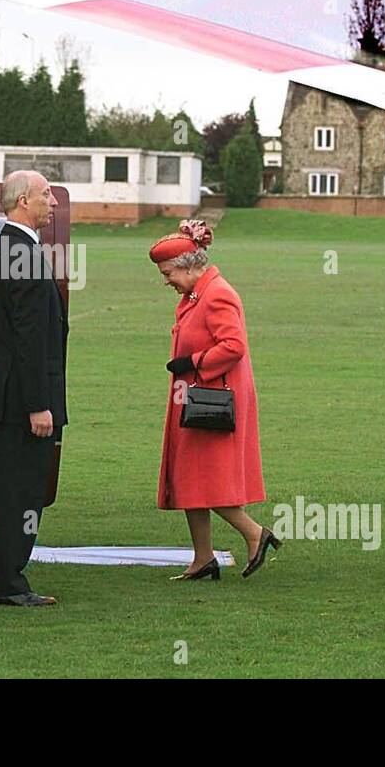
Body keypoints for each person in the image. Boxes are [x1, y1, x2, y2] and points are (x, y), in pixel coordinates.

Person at [149, 219, 273, 581]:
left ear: (189, 265)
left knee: (206, 479)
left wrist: (194, 363)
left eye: (169, 272)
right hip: (195, 397)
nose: (166, 280)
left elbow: (234, 346)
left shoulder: (217, 293)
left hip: (212, 400)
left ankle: (255, 534)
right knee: (189, 477)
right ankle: (203, 559)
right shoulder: (196, 293)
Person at [0, 170, 68, 606]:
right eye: (46, 195)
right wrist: (38, 405)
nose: (53, 201)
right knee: (19, 494)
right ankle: (8, 584)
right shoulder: (23, 255)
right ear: (23, 201)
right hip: (19, 403)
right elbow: (28, 338)